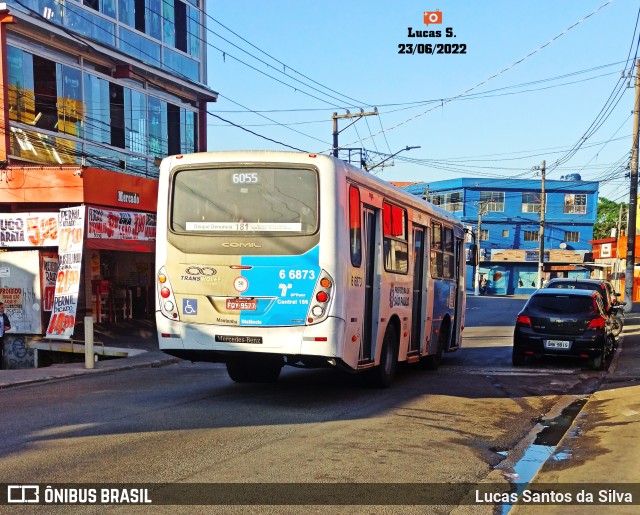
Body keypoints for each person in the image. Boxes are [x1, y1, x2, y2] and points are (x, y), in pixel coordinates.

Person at [0, 302, 11, 369]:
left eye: (3, 307)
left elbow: (9, 326)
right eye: (1, 307)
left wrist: (7, 328)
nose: (3, 309)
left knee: (1, 353)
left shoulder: (4, 316)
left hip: (1, 337)